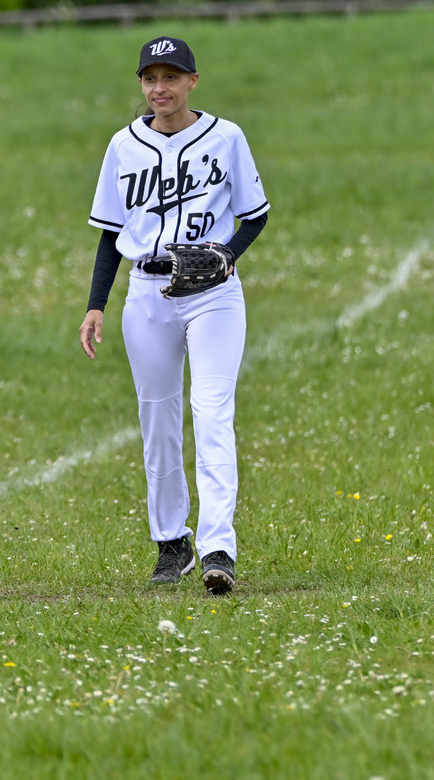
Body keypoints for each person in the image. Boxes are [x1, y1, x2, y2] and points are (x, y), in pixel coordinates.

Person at [79, 36, 269, 596]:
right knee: (157, 419)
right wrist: (96, 304)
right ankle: (172, 542)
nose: (159, 88)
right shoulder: (124, 145)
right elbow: (112, 235)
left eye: (170, 77)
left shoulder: (226, 137)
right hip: (147, 291)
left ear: (192, 81)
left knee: (211, 413)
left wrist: (226, 256)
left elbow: (254, 216)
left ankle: (218, 546)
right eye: (149, 78)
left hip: (213, 294)